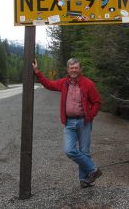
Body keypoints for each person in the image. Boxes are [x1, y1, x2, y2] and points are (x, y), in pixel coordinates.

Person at [32, 57, 102, 188]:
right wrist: (37, 71)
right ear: (68, 70)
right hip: (69, 123)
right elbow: (49, 84)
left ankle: (84, 180)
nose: (74, 70)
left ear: (80, 69)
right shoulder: (64, 83)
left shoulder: (88, 83)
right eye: (71, 68)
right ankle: (93, 170)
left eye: (76, 67)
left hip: (84, 122)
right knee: (69, 150)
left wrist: (90, 116)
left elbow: (97, 102)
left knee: (84, 151)